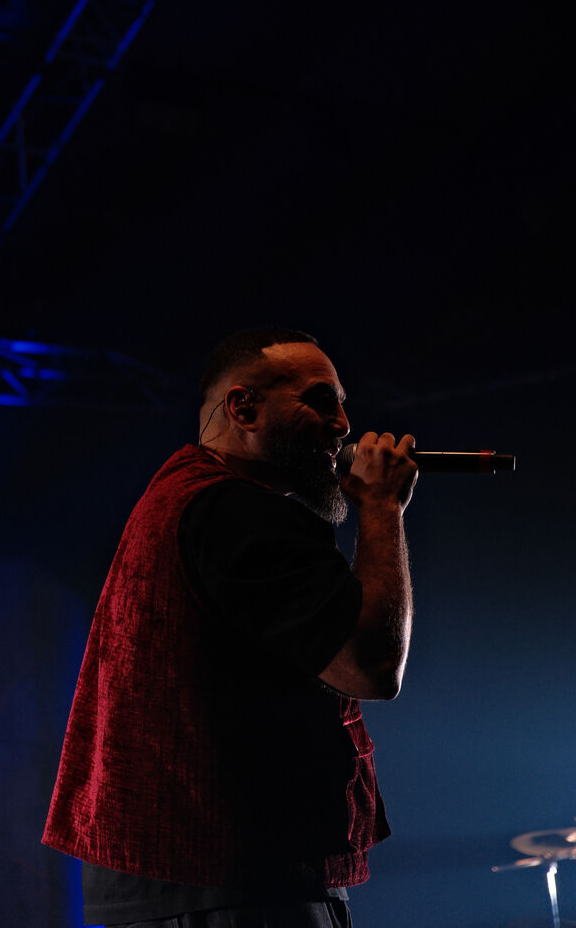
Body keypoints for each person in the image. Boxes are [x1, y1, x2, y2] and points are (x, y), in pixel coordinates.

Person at [42, 327, 418, 928]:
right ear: (243, 407)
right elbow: (372, 667)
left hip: (176, 882)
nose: (344, 425)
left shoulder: (176, 496)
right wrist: (381, 508)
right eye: (320, 401)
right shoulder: (242, 512)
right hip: (241, 889)